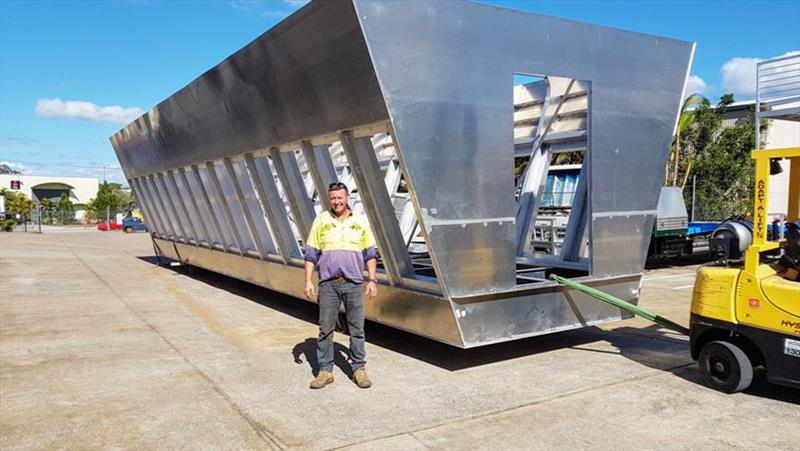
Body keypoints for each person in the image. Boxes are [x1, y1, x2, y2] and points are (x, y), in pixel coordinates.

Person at [304, 182, 378, 389]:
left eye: (340, 198)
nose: (337, 201)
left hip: (353, 283)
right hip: (328, 284)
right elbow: (311, 254)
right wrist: (308, 280)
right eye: (333, 198)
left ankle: (358, 369)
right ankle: (325, 370)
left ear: (347, 198)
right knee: (325, 329)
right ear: (330, 199)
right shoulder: (321, 221)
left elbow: (370, 254)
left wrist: (372, 280)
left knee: (357, 329)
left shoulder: (360, 222)